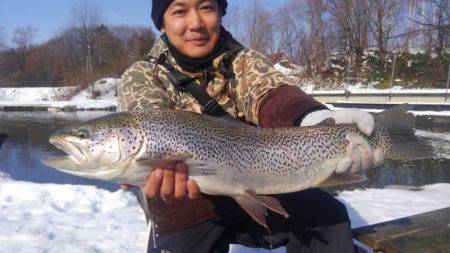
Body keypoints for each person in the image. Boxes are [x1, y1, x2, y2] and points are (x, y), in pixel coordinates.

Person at [118, 0, 377, 252]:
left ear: (220, 13)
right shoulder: (143, 75)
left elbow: (272, 94)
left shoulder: (243, 61)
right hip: (186, 207)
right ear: (161, 24)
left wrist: (310, 118)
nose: (196, 22)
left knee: (327, 214)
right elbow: (147, 117)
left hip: (257, 182)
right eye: (180, 11)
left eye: (206, 7)